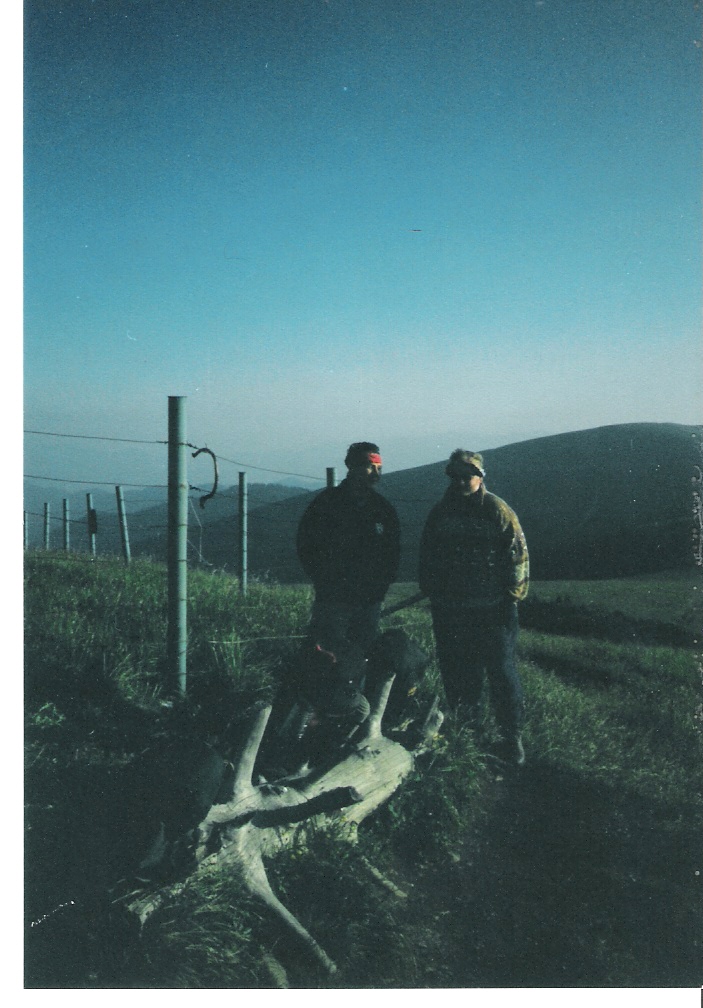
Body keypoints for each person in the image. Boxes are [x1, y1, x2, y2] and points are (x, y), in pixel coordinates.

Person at [418, 449, 529, 766]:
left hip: (494, 611)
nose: (461, 481)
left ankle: (511, 737)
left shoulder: (497, 510)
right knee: (458, 672)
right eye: (455, 475)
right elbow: (427, 554)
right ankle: (469, 733)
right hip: (451, 610)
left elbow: (517, 553)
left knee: (501, 673)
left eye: (468, 475)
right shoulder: (441, 513)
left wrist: (512, 596)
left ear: (480, 477)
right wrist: (431, 588)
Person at [296, 441, 400, 653]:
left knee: (363, 655)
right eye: (370, 467)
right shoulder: (326, 504)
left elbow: (393, 551)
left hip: (369, 600)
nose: (376, 474)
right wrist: (324, 581)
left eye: (380, 468)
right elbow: (306, 544)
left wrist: (381, 587)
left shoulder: (382, 508)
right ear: (352, 466)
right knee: (328, 656)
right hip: (333, 599)